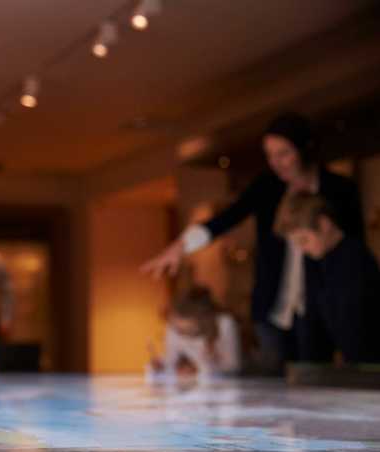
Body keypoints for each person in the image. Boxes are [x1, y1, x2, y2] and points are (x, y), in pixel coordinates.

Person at [141, 113, 364, 372]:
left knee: (312, 380)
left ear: (304, 149)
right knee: (272, 379)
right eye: (269, 155)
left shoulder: (340, 190)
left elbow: (353, 248)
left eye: (284, 153)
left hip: (320, 305)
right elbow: (228, 218)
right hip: (272, 304)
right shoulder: (267, 186)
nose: (276, 163)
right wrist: (181, 246)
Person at [276, 192, 380, 365]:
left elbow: (355, 327)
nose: (302, 249)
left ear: (324, 224)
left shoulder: (354, 258)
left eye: (304, 240)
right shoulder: (315, 261)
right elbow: (314, 321)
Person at [147, 286, 241, 380]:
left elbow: (232, 366)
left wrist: (206, 363)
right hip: (197, 383)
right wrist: (161, 365)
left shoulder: (224, 324)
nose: (176, 330)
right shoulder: (173, 326)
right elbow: (170, 360)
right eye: (173, 323)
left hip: (223, 382)